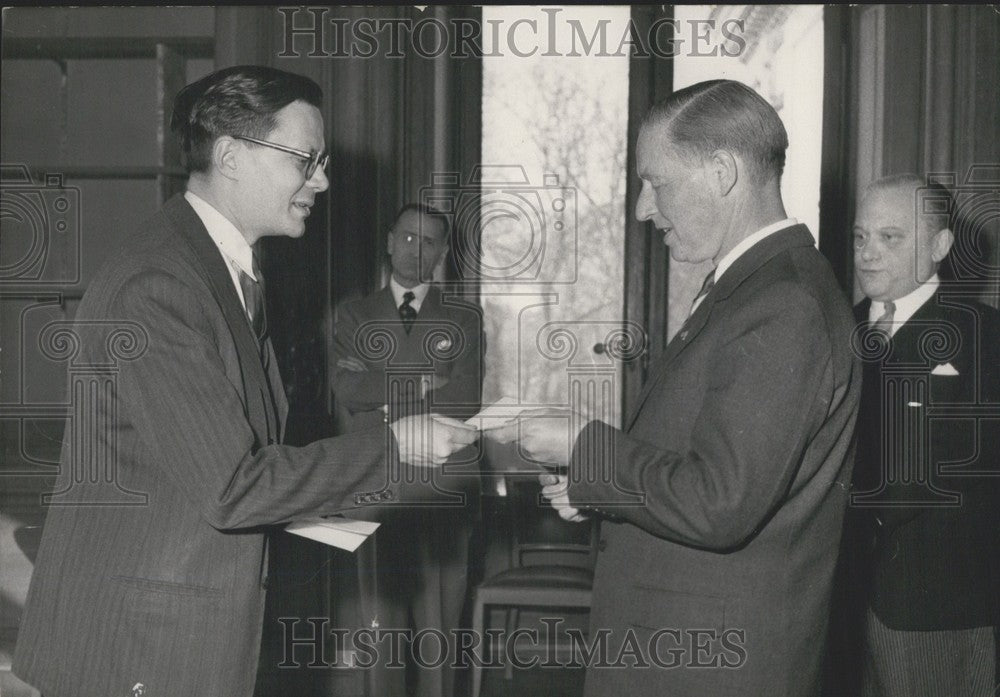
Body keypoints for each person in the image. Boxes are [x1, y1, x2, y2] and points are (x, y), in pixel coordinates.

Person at [12, 65, 477, 697]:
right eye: (305, 160)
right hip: (134, 649)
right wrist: (397, 445)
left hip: (172, 628)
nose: (323, 180)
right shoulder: (163, 285)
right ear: (231, 156)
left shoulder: (216, 270)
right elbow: (232, 485)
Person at [492, 79, 862, 696]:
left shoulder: (784, 303)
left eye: (655, 182)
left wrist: (585, 446)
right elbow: (707, 466)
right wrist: (596, 486)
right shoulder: (751, 287)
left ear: (722, 172)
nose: (641, 208)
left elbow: (720, 501)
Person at [849, 174, 1000, 696]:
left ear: (939, 246)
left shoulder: (984, 337)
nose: (868, 253)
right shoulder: (831, 333)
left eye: (890, 238)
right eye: (860, 237)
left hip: (940, 614)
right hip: (837, 605)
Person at [332, 203, 484, 697]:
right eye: (408, 237)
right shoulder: (353, 314)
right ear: (390, 240)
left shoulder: (463, 317)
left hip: (443, 483)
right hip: (373, 476)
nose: (418, 250)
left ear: (443, 252)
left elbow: (464, 397)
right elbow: (346, 390)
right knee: (375, 617)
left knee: (439, 617)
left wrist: (380, 390)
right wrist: (422, 380)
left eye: (431, 241)